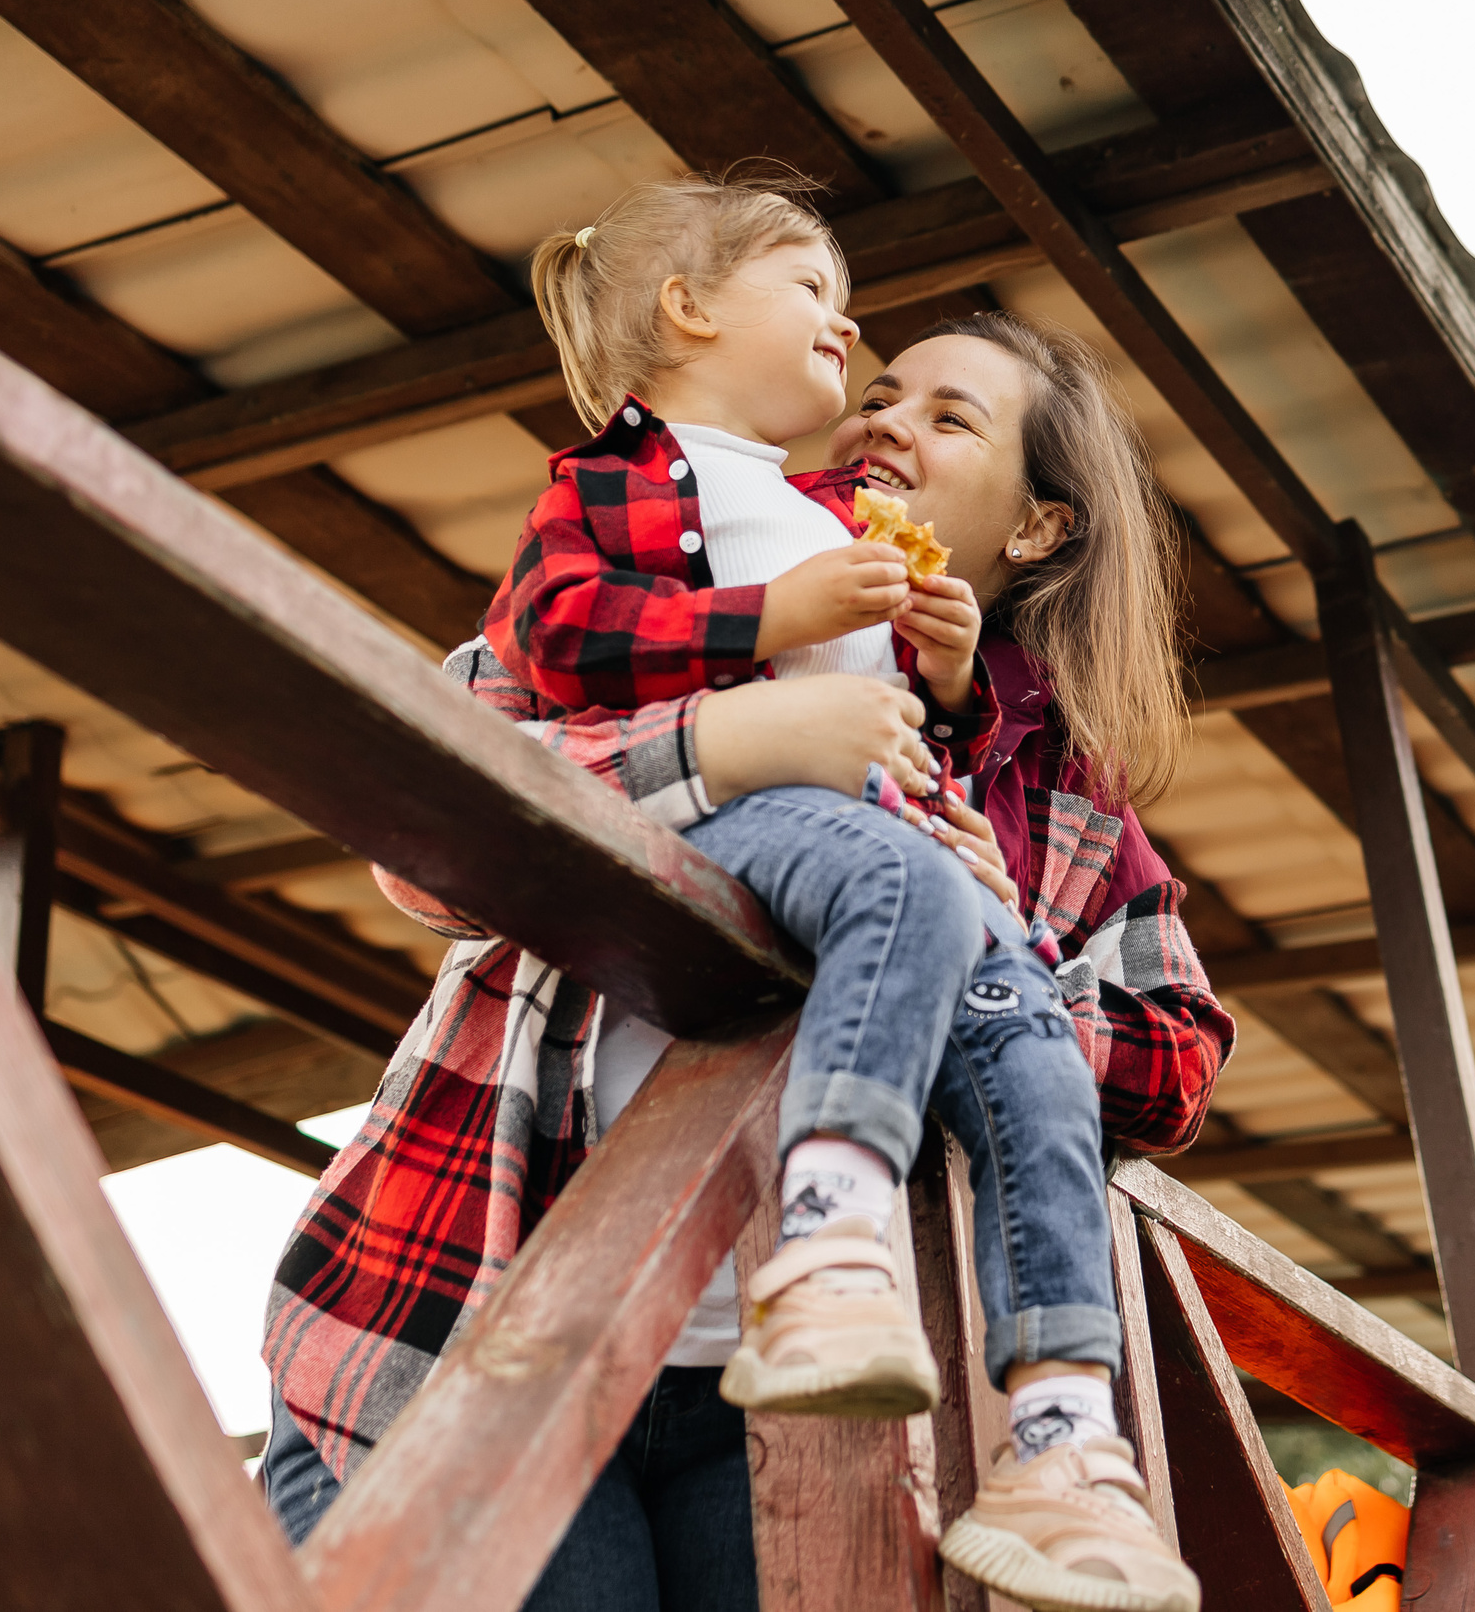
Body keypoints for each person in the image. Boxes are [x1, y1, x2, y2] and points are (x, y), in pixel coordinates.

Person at [260, 177, 1228, 1612]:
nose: (885, 419)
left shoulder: (1064, 795)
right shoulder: (669, 562)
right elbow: (421, 833)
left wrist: (1000, 941)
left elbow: (1174, 1065)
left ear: (1034, 531)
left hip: (784, 1408)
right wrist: (721, 743)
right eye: (880, 393)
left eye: (949, 419)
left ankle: (1060, 1441)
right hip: (478, 1304)